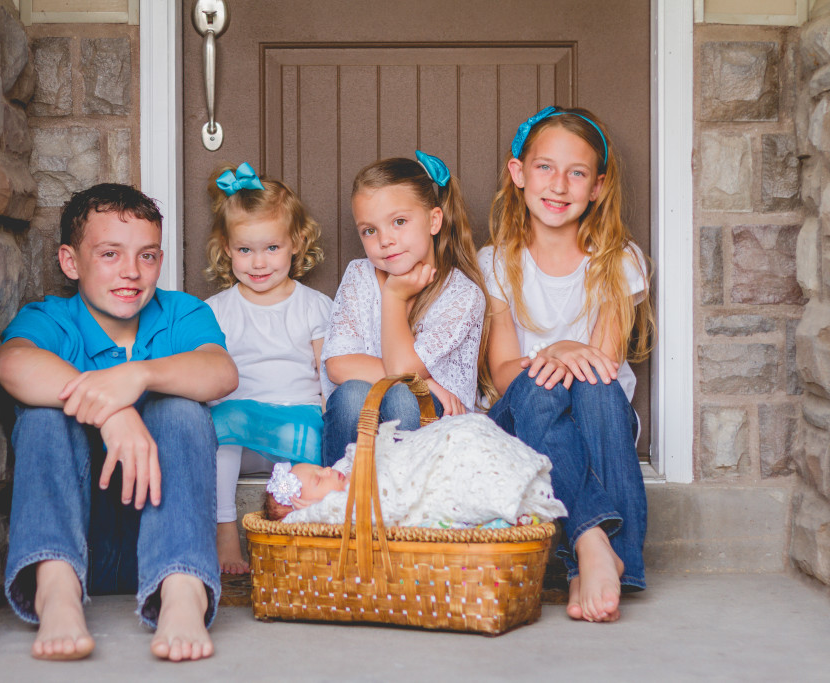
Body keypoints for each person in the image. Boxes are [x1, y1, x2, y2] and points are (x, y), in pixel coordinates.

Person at [0, 183, 238, 662]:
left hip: (169, 542)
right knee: (45, 415)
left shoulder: (181, 314)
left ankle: (185, 592)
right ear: (70, 262)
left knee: (180, 408)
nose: (131, 271)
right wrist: (113, 410)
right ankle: (55, 592)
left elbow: (220, 372)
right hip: (79, 542)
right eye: (110, 254)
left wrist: (138, 375)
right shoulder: (53, 319)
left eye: (147, 256)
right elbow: (10, 364)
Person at [479, 106, 655, 623]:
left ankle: (585, 556)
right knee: (538, 389)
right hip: (522, 411)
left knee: (596, 389)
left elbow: (602, 365)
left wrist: (559, 356)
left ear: (597, 186)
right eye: (545, 168)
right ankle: (597, 543)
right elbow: (503, 370)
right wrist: (551, 354)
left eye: (576, 173)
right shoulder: (496, 262)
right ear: (518, 174)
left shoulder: (620, 260)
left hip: (597, 415)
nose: (559, 185)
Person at [202, 162, 332, 574]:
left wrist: (330, 413)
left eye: (271, 248)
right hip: (239, 430)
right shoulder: (216, 311)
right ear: (226, 248)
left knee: (316, 456)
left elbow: (327, 372)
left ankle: (297, 543)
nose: (258, 263)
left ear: (296, 243)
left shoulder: (313, 306)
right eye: (245, 250)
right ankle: (226, 534)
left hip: (297, 426)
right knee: (220, 428)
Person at [321, 151, 491, 466]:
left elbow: (400, 373)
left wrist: (394, 297)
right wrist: (424, 381)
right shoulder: (360, 275)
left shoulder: (462, 295)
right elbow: (339, 365)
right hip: (371, 409)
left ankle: (403, 509)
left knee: (402, 396)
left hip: (438, 433)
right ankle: (342, 501)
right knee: (351, 394)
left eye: (399, 221)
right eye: (369, 230)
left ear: (434, 220)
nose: (385, 240)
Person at [263, 413, 567, 528]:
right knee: (462, 441)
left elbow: (392, 459)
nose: (329, 471)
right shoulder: (337, 509)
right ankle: (513, 497)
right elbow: (392, 502)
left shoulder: (346, 469)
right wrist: (299, 514)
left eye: (321, 468)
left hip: (423, 460)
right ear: (304, 506)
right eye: (319, 479)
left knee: (463, 431)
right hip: (418, 490)